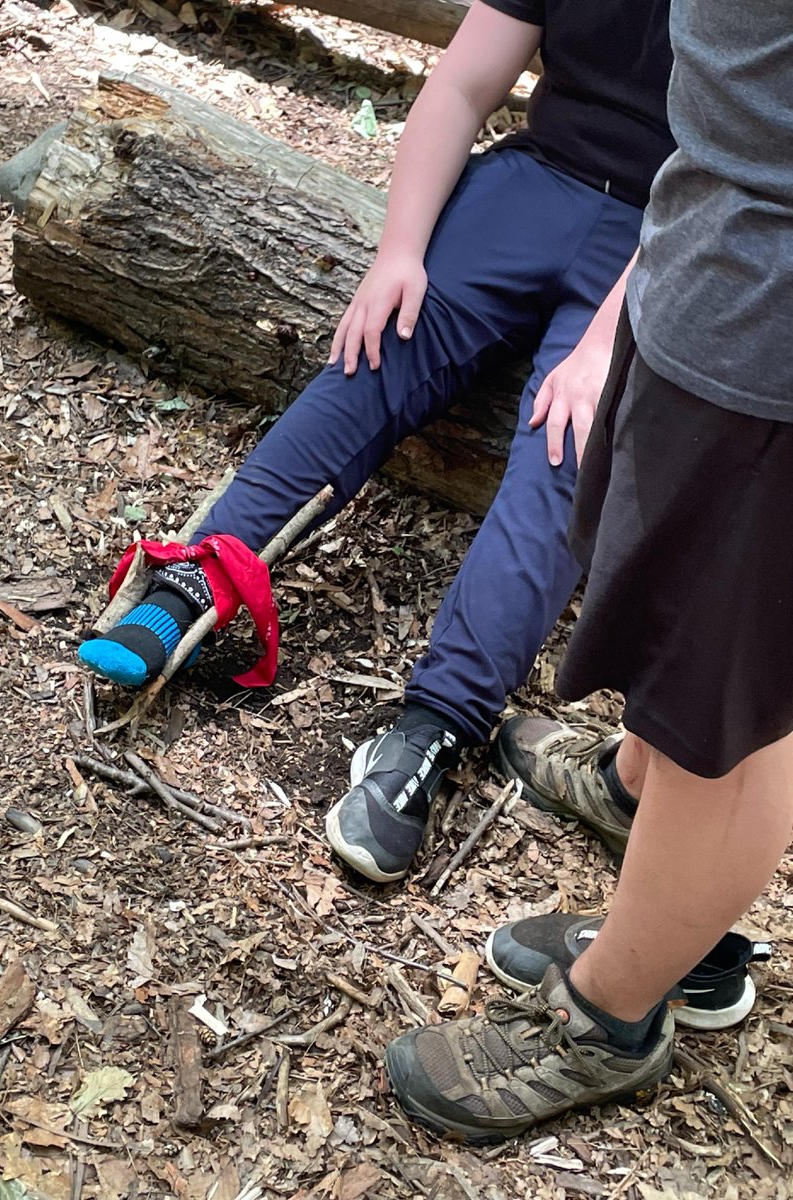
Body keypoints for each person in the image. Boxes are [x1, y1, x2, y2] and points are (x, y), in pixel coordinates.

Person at [78, 0, 674, 882]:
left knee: (567, 446)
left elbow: (721, 182)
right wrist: (400, 251)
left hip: (665, 238)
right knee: (379, 348)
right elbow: (463, 85)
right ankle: (202, 574)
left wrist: (601, 351)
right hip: (533, 186)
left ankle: (438, 725)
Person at [383, 0, 793, 1142]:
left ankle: (614, 1009)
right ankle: (641, 805)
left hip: (772, 338)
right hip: (713, 253)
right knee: (689, 633)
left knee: (725, 712)